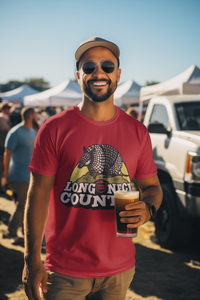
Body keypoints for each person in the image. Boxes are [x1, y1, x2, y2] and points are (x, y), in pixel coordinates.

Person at [22, 37, 163, 300]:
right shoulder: (54, 128)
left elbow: (152, 187)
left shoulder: (137, 131)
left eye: (107, 66)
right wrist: (31, 260)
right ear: (79, 75)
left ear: (118, 74)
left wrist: (148, 208)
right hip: (64, 271)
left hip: (120, 271)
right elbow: (38, 194)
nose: (99, 73)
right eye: (89, 67)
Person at [3, 107, 37, 245]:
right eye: (35, 115)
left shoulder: (31, 132)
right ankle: (11, 233)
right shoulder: (15, 132)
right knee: (21, 205)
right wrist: (6, 176)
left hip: (30, 175)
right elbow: (7, 154)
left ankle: (25, 232)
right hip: (18, 175)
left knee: (28, 206)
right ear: (30, 116)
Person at [0, 102, 12, 193]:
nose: (9, 110)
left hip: (4, 147)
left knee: (3, 168)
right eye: (8, 108)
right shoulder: (1, 118)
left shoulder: (6, 119)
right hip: (1, 147)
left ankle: (2, 185)